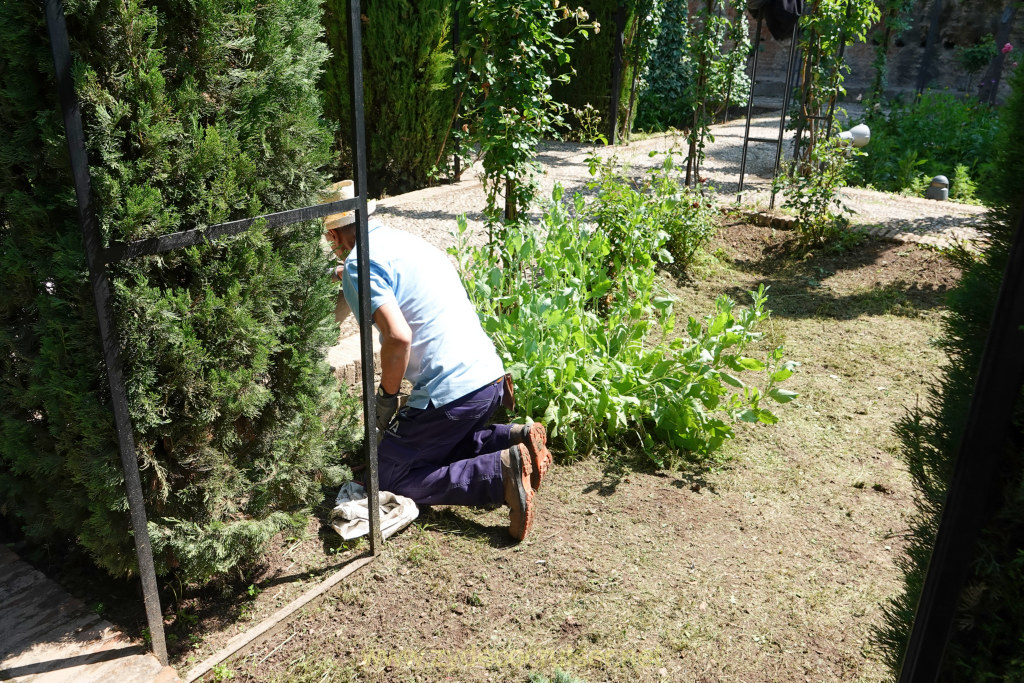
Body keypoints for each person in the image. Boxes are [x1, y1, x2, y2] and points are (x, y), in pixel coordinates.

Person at [323, 182, 552, 541]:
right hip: (488, 382)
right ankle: (513, 438)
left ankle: (500, 473)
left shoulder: (358, 264)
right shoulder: (406, 243)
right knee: (434, 444)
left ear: (333, 234)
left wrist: (386, 399)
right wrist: (344, 276)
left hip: (451, 396)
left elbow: (398, 338)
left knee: (385, 477)